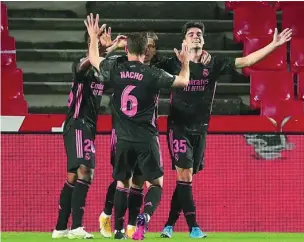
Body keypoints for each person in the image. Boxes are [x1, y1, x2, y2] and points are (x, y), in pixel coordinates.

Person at [158, 21, 292, 239]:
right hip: (178, 127)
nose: (196, 36)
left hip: (200, 129)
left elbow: (247, 61)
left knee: (186, 178)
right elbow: (145, 59)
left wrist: (274, 45)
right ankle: (194, 228)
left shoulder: (215, 63)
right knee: (185, 175)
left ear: (203, 40)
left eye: (199, 34)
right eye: (191, 34)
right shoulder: (173, 63)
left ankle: (169, 225)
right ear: (184, 41)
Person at [85, 13, 191, 240]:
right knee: (156, 184)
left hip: (122, 138)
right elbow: (183, 82)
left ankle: (120, 230)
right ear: (146, 52)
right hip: (147, 138)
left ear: (127, 50)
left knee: (123, 182)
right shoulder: (153, 74)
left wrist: (94, 37)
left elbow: (94, 59)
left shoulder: (116, 69)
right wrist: (185, 64)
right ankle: (146, 217)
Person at [99, 31, 211, 239]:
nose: (150, 49)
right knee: (127, 181)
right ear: (143, 49)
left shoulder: (124, 66)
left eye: (153, 46)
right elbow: (182, 80)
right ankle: (108, 214)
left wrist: (204, 55)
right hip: (136, 134)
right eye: (147, 46)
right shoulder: (148, 71)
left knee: (135, 182)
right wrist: (187, 62)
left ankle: (125, 227)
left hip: (125, 134)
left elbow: (99, 62)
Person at [51, 23, 125, 239]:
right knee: (86, 170)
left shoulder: (100, 70)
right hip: (77, 123)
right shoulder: (81, 65)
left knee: (73, 176)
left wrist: (113, 48)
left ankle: (61, 227)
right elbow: (86, 62)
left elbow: (101, 62)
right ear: (90, 41)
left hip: (88, 127)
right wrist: (101, 44)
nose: (103, 39)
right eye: (98, 36)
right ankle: (76, 227)